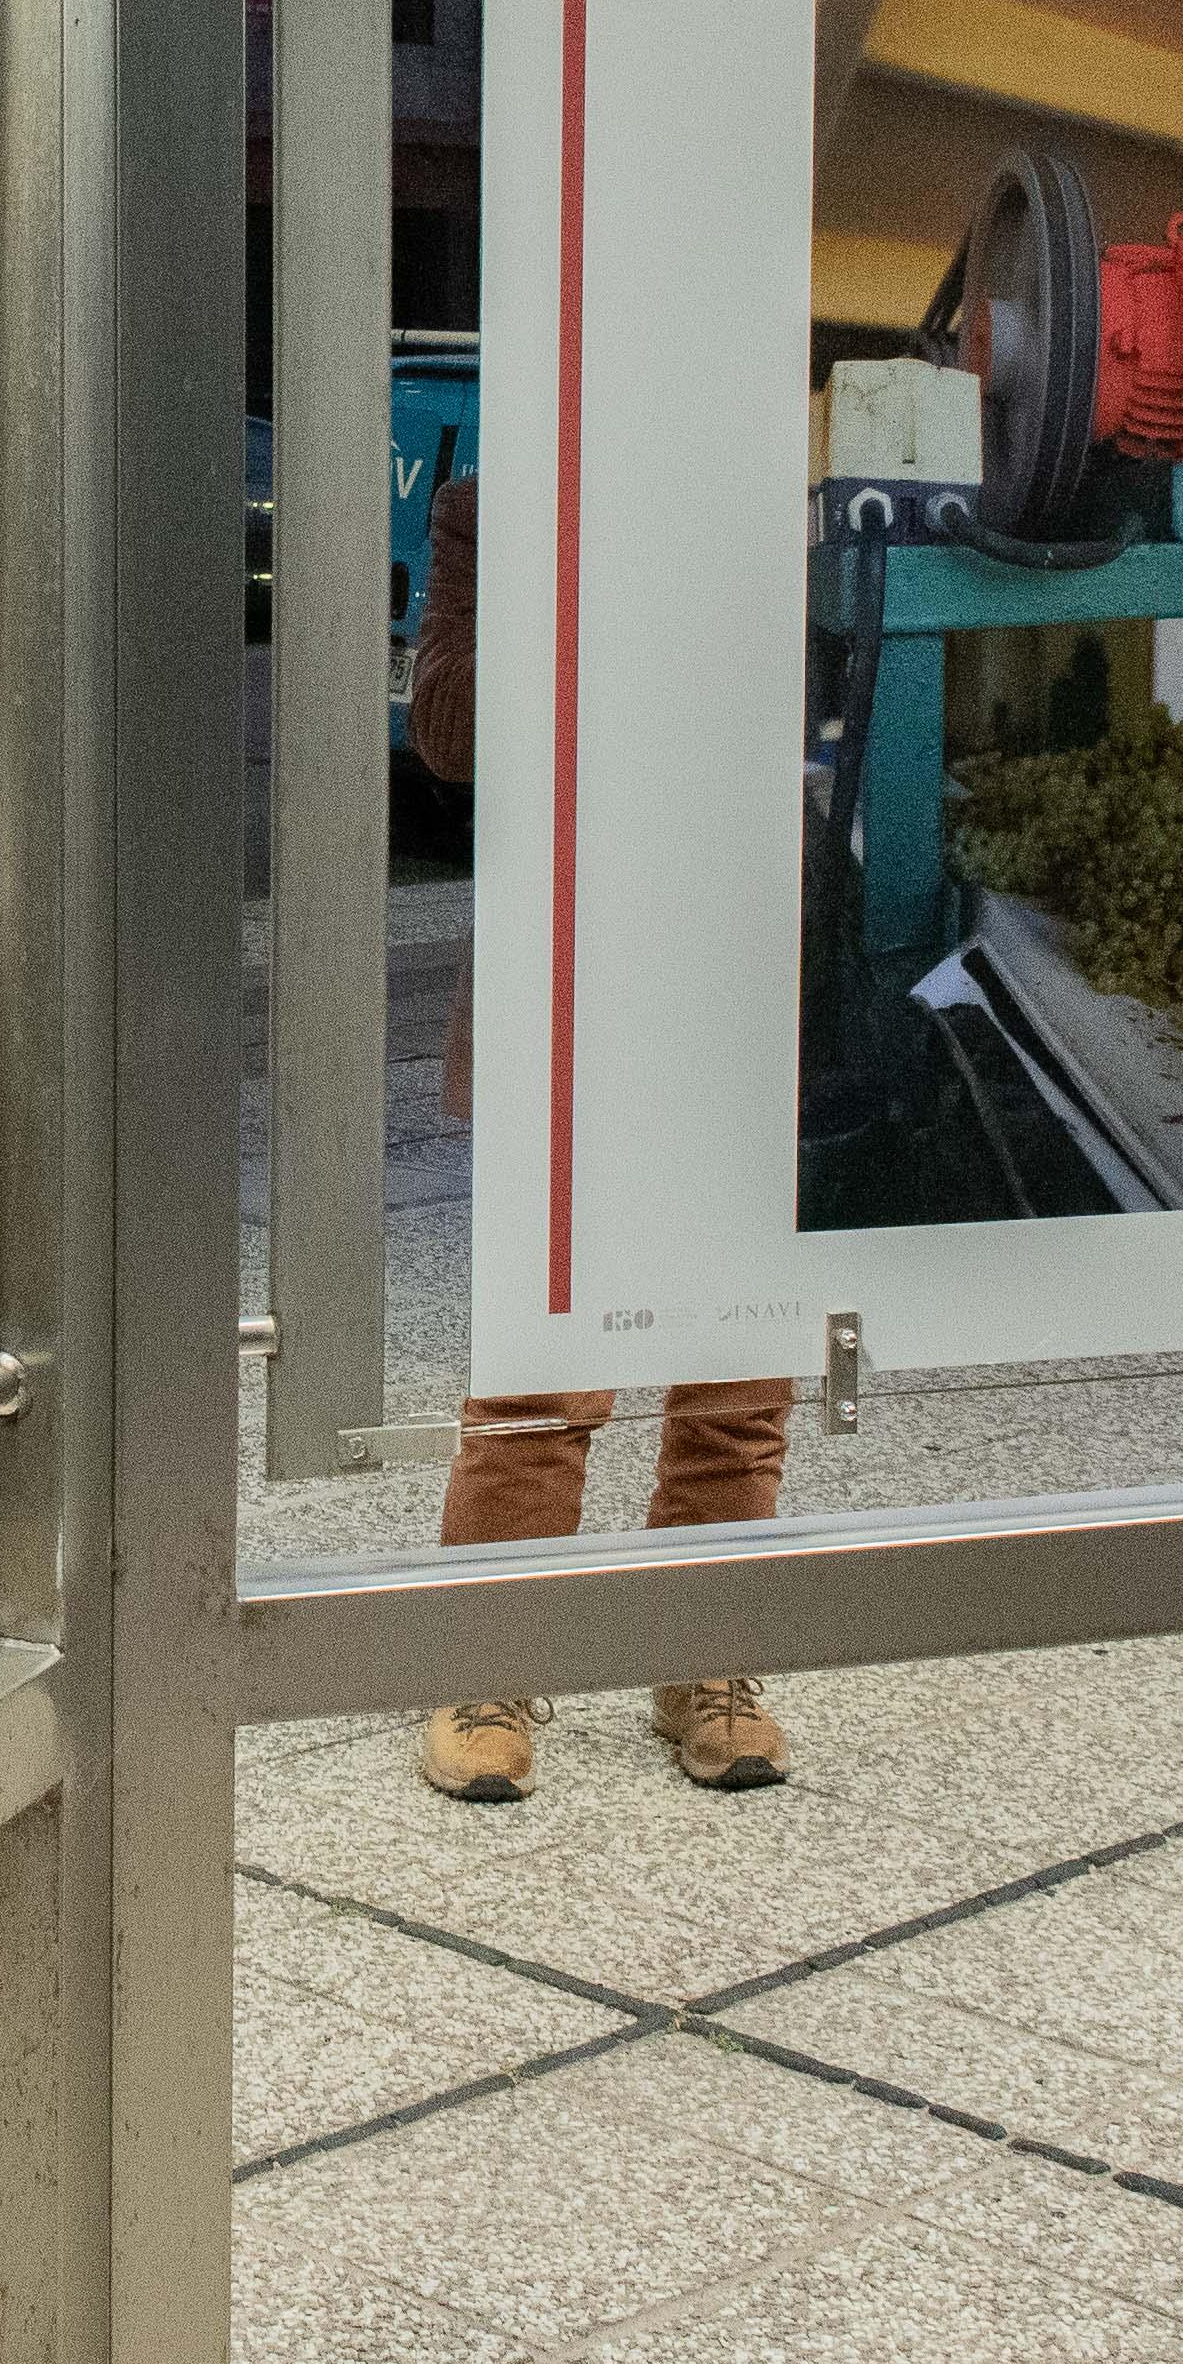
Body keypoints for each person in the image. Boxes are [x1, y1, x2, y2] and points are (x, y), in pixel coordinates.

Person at [401, 466, 800, 1801]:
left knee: (741, 1361)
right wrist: (559, 573)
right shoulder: (488, 506)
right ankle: (489, 1657)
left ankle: (705, 1654)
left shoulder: (739, 486)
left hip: (727, 963)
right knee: (540, 1367)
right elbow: (447, 733)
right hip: (560, 979)